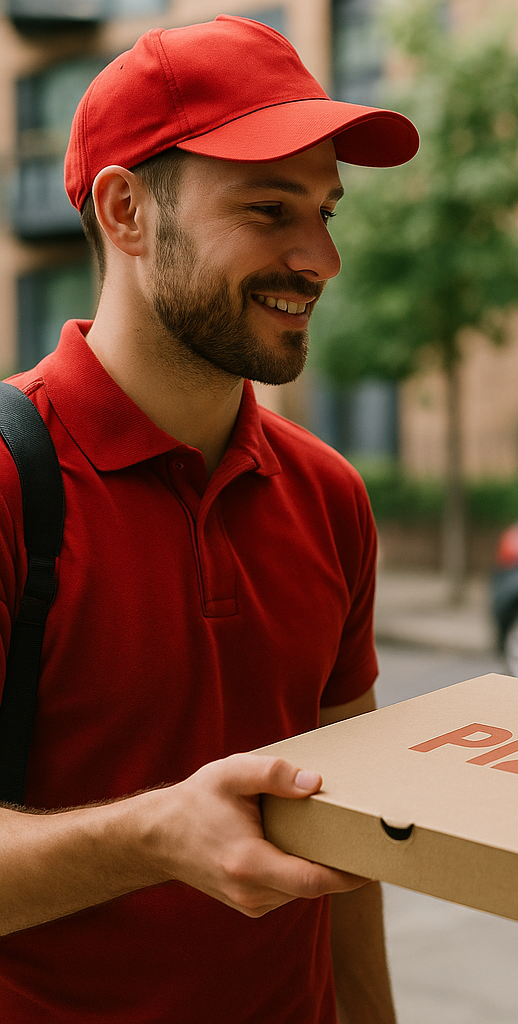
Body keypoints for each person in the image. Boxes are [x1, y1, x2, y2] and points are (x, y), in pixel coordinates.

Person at [0, 15, 419, 1024]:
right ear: (127, 211)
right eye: (271, 208)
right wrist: (153, 834)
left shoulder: (329, 496)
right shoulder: (11, 478)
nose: (319, 257)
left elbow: (347, 855)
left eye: (326, 211)